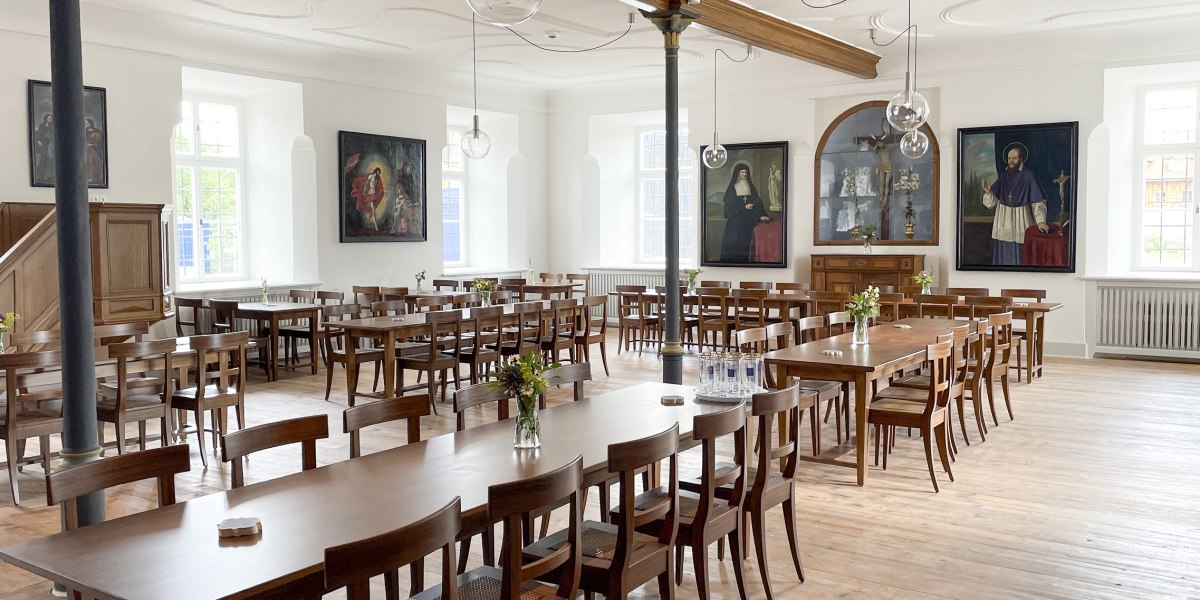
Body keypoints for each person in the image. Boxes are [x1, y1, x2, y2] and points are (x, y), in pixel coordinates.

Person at [980, 143, 1049, 265]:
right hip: (1003, 223)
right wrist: (988, 193)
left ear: (1021, 159)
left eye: (1015, 158)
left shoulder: (1028, 176)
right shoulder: (1003, 177)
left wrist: (1041, 221)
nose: (1011, 161)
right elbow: (991, 203)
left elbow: (1038, 202)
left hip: (1021, 223)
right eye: (1009, 158)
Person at [719, 164, 771, 262]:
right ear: (737, 173)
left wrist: (761, 215)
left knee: (748, 245)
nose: (745, 174)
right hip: (735, 224)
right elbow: (729, 209)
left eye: (746, 172)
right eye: (742, 172)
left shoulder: (750, 186)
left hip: (749, 221)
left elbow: (758, 202)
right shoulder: (732, 188)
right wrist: (744, 207)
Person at [351, 166, 384, 231]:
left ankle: (368, 221)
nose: (378, 173)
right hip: (369, 195)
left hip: (374, 195)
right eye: (378, 172)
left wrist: (382, 191)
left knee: (373, 209)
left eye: (379, 172)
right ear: (376, 171)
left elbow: (379, 187)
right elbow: (367, 185)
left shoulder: (378, 178)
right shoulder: (370, 176)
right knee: (373, 210)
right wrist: (364, 192)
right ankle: (375, 226)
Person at [33, 114, 54, 183]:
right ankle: (40, 175)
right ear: (46, 119)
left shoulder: (52, 126)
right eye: (49, 118)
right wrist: (39, 141)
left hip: (50, 144)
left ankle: (48, 175)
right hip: (43, 143)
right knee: (43, 158)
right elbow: (38, 134)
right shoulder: (42, 125)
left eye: (51, 118)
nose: (50, 120)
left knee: (50, 158)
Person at [84, 118, 105, 185]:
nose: (85, 125)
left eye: (86, 123)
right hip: (86, 150)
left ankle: (93, 177)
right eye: (85, 123)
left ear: (90, 124)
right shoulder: (84, 132)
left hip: (94, 150)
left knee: (92, 162)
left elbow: (100, 142)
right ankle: (88, 177)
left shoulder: (97, 132)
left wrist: (92, 145)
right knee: (86, 163)